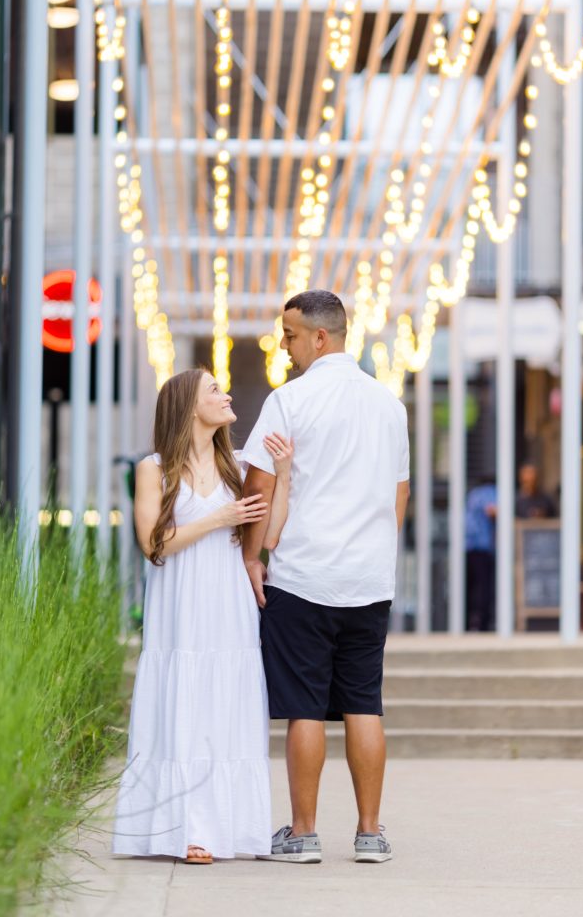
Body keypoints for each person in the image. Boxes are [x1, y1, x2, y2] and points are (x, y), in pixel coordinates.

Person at [240, 290, 410, 864]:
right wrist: (376, 552)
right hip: (368, 580)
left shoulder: (288, 401)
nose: (282, 346)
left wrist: (252, 557)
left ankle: (303, 833)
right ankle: (370, 833)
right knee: (365, 702)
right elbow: (400, 494)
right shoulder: (389, 404)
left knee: (305, 708)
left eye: (289, 336)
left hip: (303, 576)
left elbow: (258, 490)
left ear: (319, 337)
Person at [112, 368, 292, 864]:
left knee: (225, 704)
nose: (227, 394)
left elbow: (269, 535)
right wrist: (218, 518)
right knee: (184, 700)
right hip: (180, 602)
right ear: (189, 405)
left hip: (228, 600)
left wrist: (286, 473)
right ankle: (185, 829)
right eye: (214, 389)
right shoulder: (155, 468)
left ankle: (232, 828)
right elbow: (152, 543)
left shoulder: (237, 464)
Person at [465, 476, 497, 632]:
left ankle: (468, 622)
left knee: (470, 587)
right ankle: (482, 624)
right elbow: (492, 511)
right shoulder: (490, 492)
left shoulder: (473, 494)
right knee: (483, 588)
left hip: (467, 546)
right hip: (483, 547)